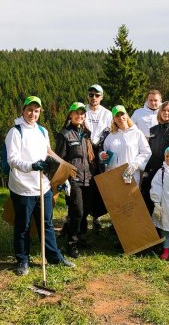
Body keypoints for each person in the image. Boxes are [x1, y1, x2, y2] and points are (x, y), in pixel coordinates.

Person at [5, 96, 75, 277]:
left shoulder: (42, 131)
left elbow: (48, 152)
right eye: (30, 110)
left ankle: (54, 257)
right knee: (23, 225)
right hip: (22, 187)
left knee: (47, 223)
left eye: (36, 111)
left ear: (39, 112)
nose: (32, 114)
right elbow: (12, 159)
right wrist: (31, 166)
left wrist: (64, 172)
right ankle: (23, 260)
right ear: (23, 110)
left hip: (42, 185)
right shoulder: (15, 132)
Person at [54, 102, 95, 258]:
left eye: (82, 114)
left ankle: (81, 237)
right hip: (73, 179)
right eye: (76, 113)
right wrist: (63, 180)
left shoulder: (87, 134)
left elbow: (90, 156)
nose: (79, 116)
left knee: (84, 211)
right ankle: (72, 243)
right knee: (76, 211)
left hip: (88, 178)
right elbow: (60, 159)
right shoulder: (64, 134)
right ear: (70, 115)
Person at [141, 101, 169, 215]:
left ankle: (165, 230)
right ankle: (151, 229)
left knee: (166, 201)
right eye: (164, 110)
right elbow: (149, 151)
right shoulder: (153, 130)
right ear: (160, 112)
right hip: (153, 170)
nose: (166, 113)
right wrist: (146, 171)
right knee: (150, 198)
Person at [83, 84, 112, 231]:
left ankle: (97, 216)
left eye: (97, 95)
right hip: (84, 149)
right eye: (91, 94)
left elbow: (110, 131)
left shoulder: (107, 113)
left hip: (100, 150)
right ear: (87, 96)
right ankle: (79, 215)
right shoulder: (83, 110)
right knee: (84, 181)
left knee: (100, 183)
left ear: (101, 97)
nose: (93, 98)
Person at [99, 105, 152, 187]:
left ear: (127, 115)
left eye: (122, 114)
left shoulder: (137, 133)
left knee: (132, 199)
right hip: (114, 176)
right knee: (116, 199)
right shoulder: (110, 136)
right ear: (114, 119)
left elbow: (146, 152)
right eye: (117, 116)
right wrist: (103, 156)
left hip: (131, 175)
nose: (120, 118)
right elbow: (105, 154)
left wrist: (135, 164)